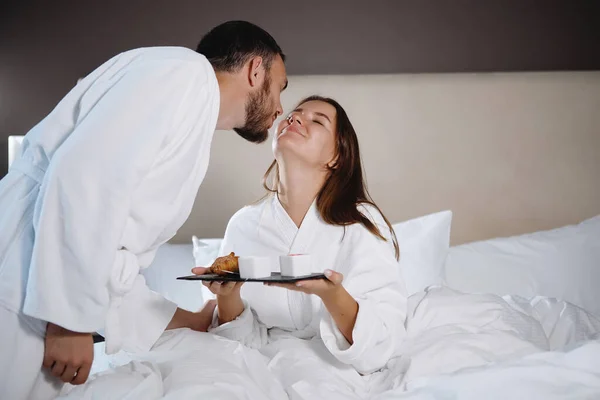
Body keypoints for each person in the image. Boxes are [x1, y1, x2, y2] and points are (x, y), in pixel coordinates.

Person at [0, 20, 287, 400]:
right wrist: (68, 324)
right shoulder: (181, 74)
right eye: (280, 88)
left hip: (40, 293)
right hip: (21, 275)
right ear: (256, 70)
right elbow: (86, 177)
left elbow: (113, 263)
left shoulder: (190, 109)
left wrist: (190, 321)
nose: (281, 108)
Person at [194, 96, 408, 398]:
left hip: (331, 370)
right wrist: (229, 297)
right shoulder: (244, 225)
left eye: (317, 120)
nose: (295, 119)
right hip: (253, 368)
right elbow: (239, 341)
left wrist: (331, 294)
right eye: (294, 114)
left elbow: (380, 347)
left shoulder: (360, 223)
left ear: (336, 157)